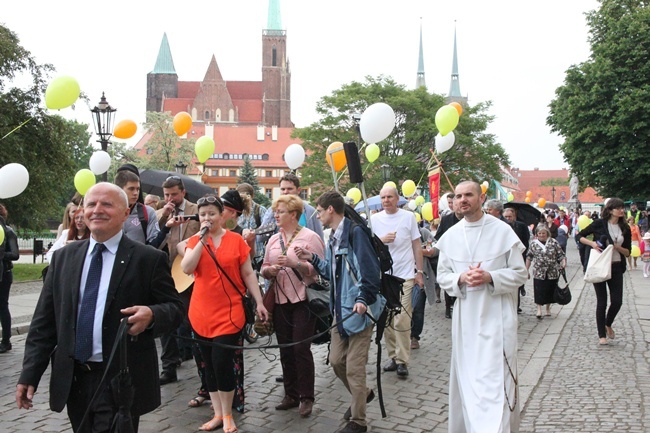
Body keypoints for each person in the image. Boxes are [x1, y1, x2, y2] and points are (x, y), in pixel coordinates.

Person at [16, 183, 183, 432]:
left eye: (107, 204)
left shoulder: (147, 259)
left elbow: (176, 308)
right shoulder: (64, 258)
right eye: (91, 204)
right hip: (74, 380)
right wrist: (30, 373)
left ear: (125, 213)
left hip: (119, 380)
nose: (97, 210)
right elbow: (44, 322)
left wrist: (153, 315)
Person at [436, 181, 528, 433]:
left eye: (468, 195)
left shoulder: (502, 231)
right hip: (466, 319)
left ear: (482, 197)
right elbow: (442, 275)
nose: (462, 199)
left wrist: (490, 277)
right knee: (469, 378)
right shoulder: (451, 236)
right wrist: (460, 279)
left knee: (495, 380)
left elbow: (520, 274)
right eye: (458, 196)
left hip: (497, 315)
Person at [295, 191, 383, 433]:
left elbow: (370, 272)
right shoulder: (334, 235)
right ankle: (363, 394)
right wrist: (312, 258)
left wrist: (363, 298)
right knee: (335, 361)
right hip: (340, 312)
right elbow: (330, 272)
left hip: (360, 311)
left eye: (320, 211)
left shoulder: (355, 234)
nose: (318, 215)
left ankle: (358, 421)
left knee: (354, 368)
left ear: (331, 210)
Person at [181, 194, 268, 432]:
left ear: (222, 216)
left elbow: (249, 274)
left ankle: (228, 414)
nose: (207, 218)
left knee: (222, 362)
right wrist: (201, 240)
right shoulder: (194, 241)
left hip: (230, 313)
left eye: (212, 213)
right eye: (203, 214)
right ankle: (218, 414)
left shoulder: (236, 240)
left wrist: (259, 301)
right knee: (207, 365)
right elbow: (187, 268)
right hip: (201, 312)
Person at [260, 194, 325, 417]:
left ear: (294, 214)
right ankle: (291, 394)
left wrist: (295, 263)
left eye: (280, 212)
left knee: (300, 348)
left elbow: (320, 269)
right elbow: (264, 267)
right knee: (286, 348)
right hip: (279, 300)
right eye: (275, 211)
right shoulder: (272, 240)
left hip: (303, 299)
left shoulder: (311, 237)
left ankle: (307, 397)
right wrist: (270, 271)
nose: (276, 215)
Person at [372, 186, 424, 378]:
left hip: (405, 274)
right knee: (386, 319)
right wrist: (380, 240)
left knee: (402, 318)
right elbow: (369, 246)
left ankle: (403, 360)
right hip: (384, 277)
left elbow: (416, 245)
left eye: (390, 197)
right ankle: (392, 356)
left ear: (397, 198)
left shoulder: (408, 217)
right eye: (383, 197)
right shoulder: (374, 220)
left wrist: (419, 272)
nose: (386, 200)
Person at [155, 175, 201, 385]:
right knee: (167, 321)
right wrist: (164, 216)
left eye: (174, 194)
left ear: (183, 192)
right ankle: (169, 367)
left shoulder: (196, 210)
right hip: (168, 272)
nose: (170, 198)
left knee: (192, 318)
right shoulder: (161, 211)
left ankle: (202, 365)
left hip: (193, 272)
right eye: (166, 195)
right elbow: (152, 236)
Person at [576, 197, 631, 345]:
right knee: (602, 301)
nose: (621, 210)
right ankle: (602, 335)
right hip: (600, 265)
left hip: (616, 266)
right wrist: (592, 243)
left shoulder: (625, 228)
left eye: (622, 208)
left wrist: (617, 247)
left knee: (617, 301)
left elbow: (628, 252)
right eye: (618, 208)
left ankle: (608, 323)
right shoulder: (600, 224)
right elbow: (579, 236)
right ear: (610, 210)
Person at [525, 225, 566, 319]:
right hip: (539, 271)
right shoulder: (534, 244)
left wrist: (563, 262)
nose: (541, 235)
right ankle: (539, 309)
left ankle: (548, 308)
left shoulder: (553, 242)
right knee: (539, 290)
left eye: (543, 233)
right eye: (539, 233)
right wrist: (526, 270)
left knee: (550, 290)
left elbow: (560, 254)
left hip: (552, 271)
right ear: (536, 234)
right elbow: (529, 257)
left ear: (547, 233)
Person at [114, 170, 160, 245]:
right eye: (131, 189)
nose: (135, 193)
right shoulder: (107, 212)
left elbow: (154, 242)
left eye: (138, 189)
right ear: (119, 189)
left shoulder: (148, 212)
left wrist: (166, 229)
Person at [410, 223, 436, 349]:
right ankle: (404, 336)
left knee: (418, 309)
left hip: (420, 277)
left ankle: (415, 336)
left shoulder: (423, 233)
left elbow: (435, 249)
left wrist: (419, 251)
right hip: (402, 276)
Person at [503, 207, 530, 314]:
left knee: (517, 281)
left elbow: (526, 241)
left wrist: (523, 254)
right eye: (506, 217)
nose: (508, 218)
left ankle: (516, 305)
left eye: (510, 216)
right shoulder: (502, 226)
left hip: (520, 255)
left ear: (514, 216)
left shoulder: (521, 226)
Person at [0, 204, 19, 353]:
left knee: (2, 306)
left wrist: (2, 255)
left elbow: (15, 254)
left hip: (4, 273)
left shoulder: (8, 231)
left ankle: (6, 340)